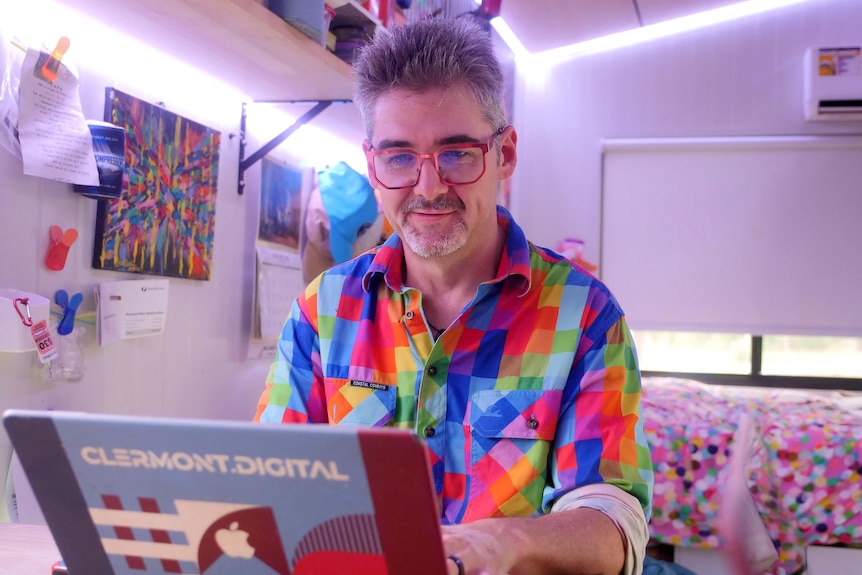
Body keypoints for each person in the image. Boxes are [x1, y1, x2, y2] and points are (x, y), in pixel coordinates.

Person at [254, 16, 653, 575]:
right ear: (373, 165)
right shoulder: (323, 311)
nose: (429, 187)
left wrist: (504, 542)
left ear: (504, 155)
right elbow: (273, 482)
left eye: (457, 153)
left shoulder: (584, 316)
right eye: (399, 157)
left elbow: (615, 522)